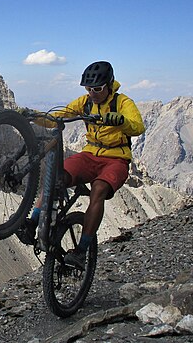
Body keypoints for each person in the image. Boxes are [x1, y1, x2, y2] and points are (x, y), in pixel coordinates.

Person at [17, 61, 145, 270]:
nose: (92, 93)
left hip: (116, 159)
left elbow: (138, 127)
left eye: (97, 89)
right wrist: (33, 115)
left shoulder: (123, 103)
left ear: (109, 84)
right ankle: (34, 222)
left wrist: (120, 121)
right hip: (89, 154)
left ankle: (81, 250)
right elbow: (56, 118)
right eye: (88, 89)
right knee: (55, 177)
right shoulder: (84, 102)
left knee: (99, 190)